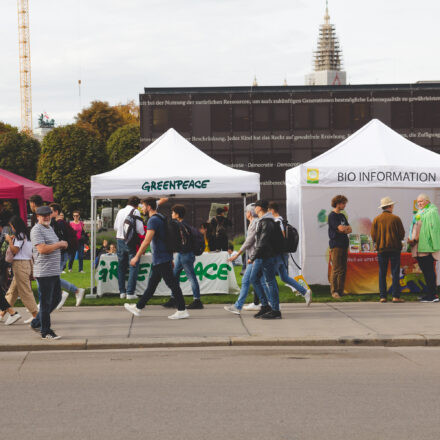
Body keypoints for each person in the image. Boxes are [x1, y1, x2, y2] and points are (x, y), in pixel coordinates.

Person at [124, 197, 189, 320]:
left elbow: (147, 241)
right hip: (162, 258)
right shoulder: (161, 217)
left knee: (172, 284)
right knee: (152, 285)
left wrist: (136, 257)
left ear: (148, 207)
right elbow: (165, 239)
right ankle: (138, 307)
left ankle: (182, 310)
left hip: (161, 258)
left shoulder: (153, 220)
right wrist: (170, 258)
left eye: (143, 206)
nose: (141, 208)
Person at [30, 206, 68, 340]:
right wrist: (60, 244)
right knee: (46, 302)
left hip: (53, 271)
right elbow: (42, 249)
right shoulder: (36, 230)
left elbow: (52, 245)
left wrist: (62, 244)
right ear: (37, 217)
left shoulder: (49, 228)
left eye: (48, 214)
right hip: (44, 272)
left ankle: (36, 322)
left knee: (57, 298)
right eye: (43, 215)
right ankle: (45, 331)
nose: (46, 217)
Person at [224, 203, 269, 314]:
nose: (245, 213)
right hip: (255, 258)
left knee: (254, 281)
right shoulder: (253, 223)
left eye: (246, 211)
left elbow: (248, 242)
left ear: (249, 213)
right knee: (256, 281)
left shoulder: (254, 224)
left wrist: (237, 255)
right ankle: (270, 303)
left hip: (255, 258)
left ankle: (269, 304)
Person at [268, 201, 312, 306]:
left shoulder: (277, 221)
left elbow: (282, 236)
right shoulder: (282, 220)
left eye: (268, 210)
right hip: (283, 253)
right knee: (284, 277)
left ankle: (273, 302)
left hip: (278, 254)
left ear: (272, 210)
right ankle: (305, 292)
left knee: (269, 278)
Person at [1, 216, 38, 322]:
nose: (11, 228)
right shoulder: (27, 235)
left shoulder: (19, 236)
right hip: (25, 264)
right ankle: (2, 313)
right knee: (12, 291)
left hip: (20, 265)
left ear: (15, 226)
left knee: (25, 292)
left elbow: (15, 250)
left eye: (12, 226)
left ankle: (36, 315)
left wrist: (9, 241)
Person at [249, 200, 281, 319]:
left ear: (259, 208)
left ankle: (275, 310)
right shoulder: (264, 221)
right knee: (255, 278)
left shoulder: (267, 222)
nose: (254, 209)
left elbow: (262, 242)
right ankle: (265, 306)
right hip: (262, 256)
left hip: (265, 256)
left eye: (255, 207)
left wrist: (252, 257)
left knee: (270, 282)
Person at [49, 203, 85, 309]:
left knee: (52, 279)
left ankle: (73, 291)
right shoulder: (59, 223)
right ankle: (68, 292)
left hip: (60, 254)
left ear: (56, 212)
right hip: (61, 254)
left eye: (51, 211)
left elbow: (59, 239)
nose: (48, 214)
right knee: (53, 278)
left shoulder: (58, 223)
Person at [167, 204, 202, 309]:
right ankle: (174, 298)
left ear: (177, 215)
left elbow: (182, 242)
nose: (171, 214)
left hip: (185, 254)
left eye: (173, 212)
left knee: (191, 277)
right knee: (175, 275)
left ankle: (197, 300)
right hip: (183, 254)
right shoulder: (185, 225)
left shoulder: (180, 226)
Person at [371, 197, 405, 303]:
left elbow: (373, 236)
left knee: (382, 272)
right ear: (390, 206)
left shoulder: (376, 219)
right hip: (394, 248)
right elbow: (401, 234)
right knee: (395, 273)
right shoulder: (396, 218)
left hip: (381, 249)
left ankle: (383, 296)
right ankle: (395, 297)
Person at [408, 193, 440, 302]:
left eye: (421, 201)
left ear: (427, 201)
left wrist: (433, 245)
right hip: (419, 247)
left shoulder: (432, 212)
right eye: (418, 202)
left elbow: (433, 230)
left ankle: (433, 295)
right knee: (426, 272)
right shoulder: (420, 212)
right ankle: (430, 294)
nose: (419, 204)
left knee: (429, 271)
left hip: (427, 248)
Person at [113, 197, 144, 299]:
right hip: (130, 241)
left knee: (121, 267)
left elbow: (115, 227)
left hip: (119, 239)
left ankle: (122, 292)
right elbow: (140, 229)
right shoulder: (135, 212)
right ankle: (130, 292)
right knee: (133, 266)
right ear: (136, 204)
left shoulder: (120, 211)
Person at [328, 195, 352, 299]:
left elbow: (349, 229)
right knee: (336, 269)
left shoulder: (342, 216)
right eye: (343, 203)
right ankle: (334, 291)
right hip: (336, 245)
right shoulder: (332, 216)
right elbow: (341, 228)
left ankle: (340, 290)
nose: (344, 205)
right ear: (338, 203)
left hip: (344, 244)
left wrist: (343, 229)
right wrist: (342, 229)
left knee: (343, 269)